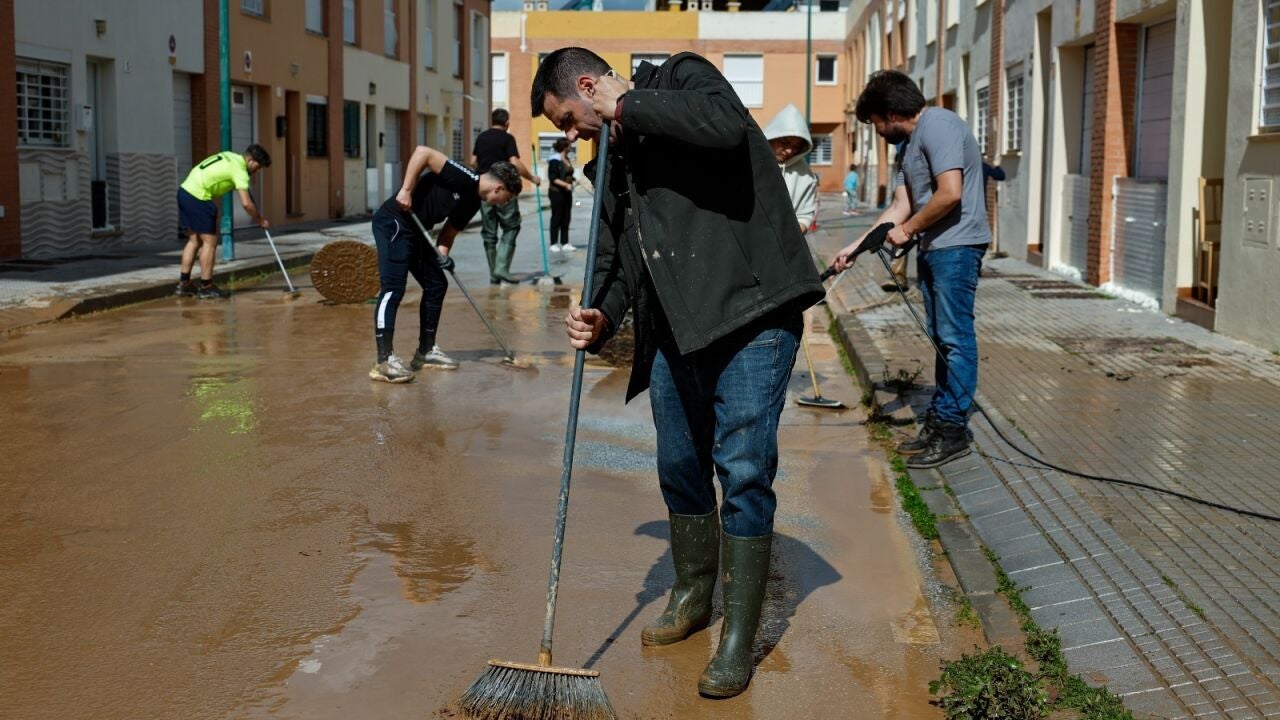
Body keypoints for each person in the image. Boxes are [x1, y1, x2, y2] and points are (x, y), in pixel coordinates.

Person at [533, 47, 824, 699]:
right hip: (675, 334)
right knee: (679, 468)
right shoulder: (614, 159)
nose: (575, 137)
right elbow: (614, 259)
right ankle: (694, 597)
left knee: (744, 470)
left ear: (588, 87)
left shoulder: (682, 80)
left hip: (752, 315)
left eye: (572, 121)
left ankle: (737, 638)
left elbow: (725, 127)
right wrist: (602, 318)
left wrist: (629, 105)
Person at [832, 70, 991, 469]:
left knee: (955, 338)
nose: (876, 132)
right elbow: (899, 207)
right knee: (942, 337)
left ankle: (952, 429)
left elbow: (950, 192)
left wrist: (907, 231)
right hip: (935, 247)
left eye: (874, 125)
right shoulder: (909, 148)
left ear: (888, 114)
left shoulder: (939, 125)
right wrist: (853, 248)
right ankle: (941, 422)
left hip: (957, 246)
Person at [368, 145, 521, 383]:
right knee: (393, 288)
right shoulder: (464, 176)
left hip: (417, 231)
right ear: (499, 188)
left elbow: (447, 236)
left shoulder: (472, 203)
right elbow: (422, 153)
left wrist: (443, 255)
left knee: (437, 283)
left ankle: (426, 352)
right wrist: (406, 190)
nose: (502, 203)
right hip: (394, 221)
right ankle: (384, 361)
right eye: (506, 199)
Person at [175, 144, 271, 299]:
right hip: (199, 197)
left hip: (184, 192)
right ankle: (206, 286)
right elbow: (246, 204)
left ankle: (184, 284)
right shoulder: (240, 171)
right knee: (210, 242)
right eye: (258, 167)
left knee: (194, 241)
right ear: (251, 160)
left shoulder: (229, 156)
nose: (257, 171)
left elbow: (234, 184)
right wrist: (260, 220)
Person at [471, 109, 541, 285]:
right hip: (503, 190)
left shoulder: (482, 137)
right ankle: (501, 267)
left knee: (489, 233)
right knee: (511, 227)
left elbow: (473, 161)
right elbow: (515, 163)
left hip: (485, 191)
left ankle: (494, 274)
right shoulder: (507, 138)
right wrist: (532, 178)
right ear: (507, 123)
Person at [763, 104, 818, 233]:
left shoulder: (805, 175)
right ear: (772, 135)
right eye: (784, 142)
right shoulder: (748, 160)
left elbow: (805, 217)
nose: (789, 151)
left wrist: (790, 236)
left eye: (796, 147)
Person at [546, 137, 577, 252]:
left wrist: (573, 180)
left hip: (567, 193)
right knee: (556, 217)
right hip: (556, 192)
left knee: (566, 217)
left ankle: (565, 242)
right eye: (569, 145)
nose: (571, 146)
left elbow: (567, 173)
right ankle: (553, 243)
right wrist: (565, 185)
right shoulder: (555, 160)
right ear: (565, 147)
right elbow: (553, 178)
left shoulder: (567, 159)